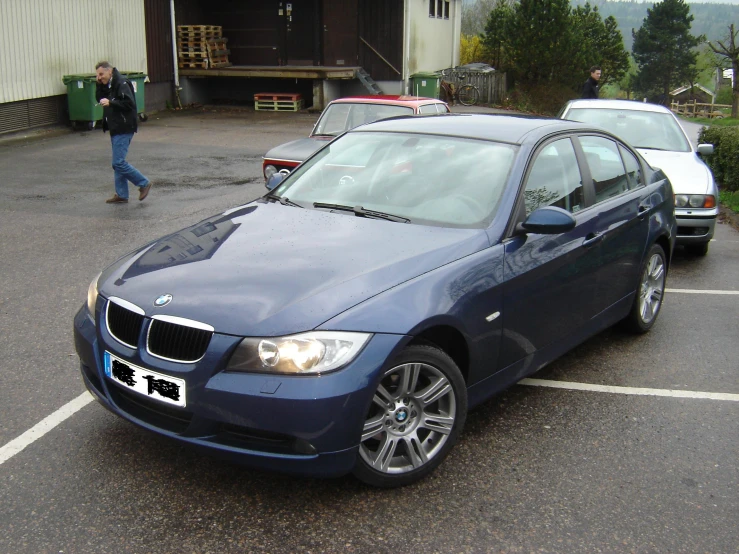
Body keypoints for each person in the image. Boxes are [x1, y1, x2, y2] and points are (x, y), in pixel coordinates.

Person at [95, 61, 151, 203]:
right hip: (115, 126)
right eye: (97, 75)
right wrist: (99, 85)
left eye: (101, 74)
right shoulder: (108, 84)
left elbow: (129, 104)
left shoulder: (122, 83)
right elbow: (99, 99)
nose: (99, 77)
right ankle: (122, 194)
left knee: (118, 163)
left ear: (110, 71)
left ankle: (143, 183)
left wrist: (111, 103)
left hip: (124, 126)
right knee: (118, 161)